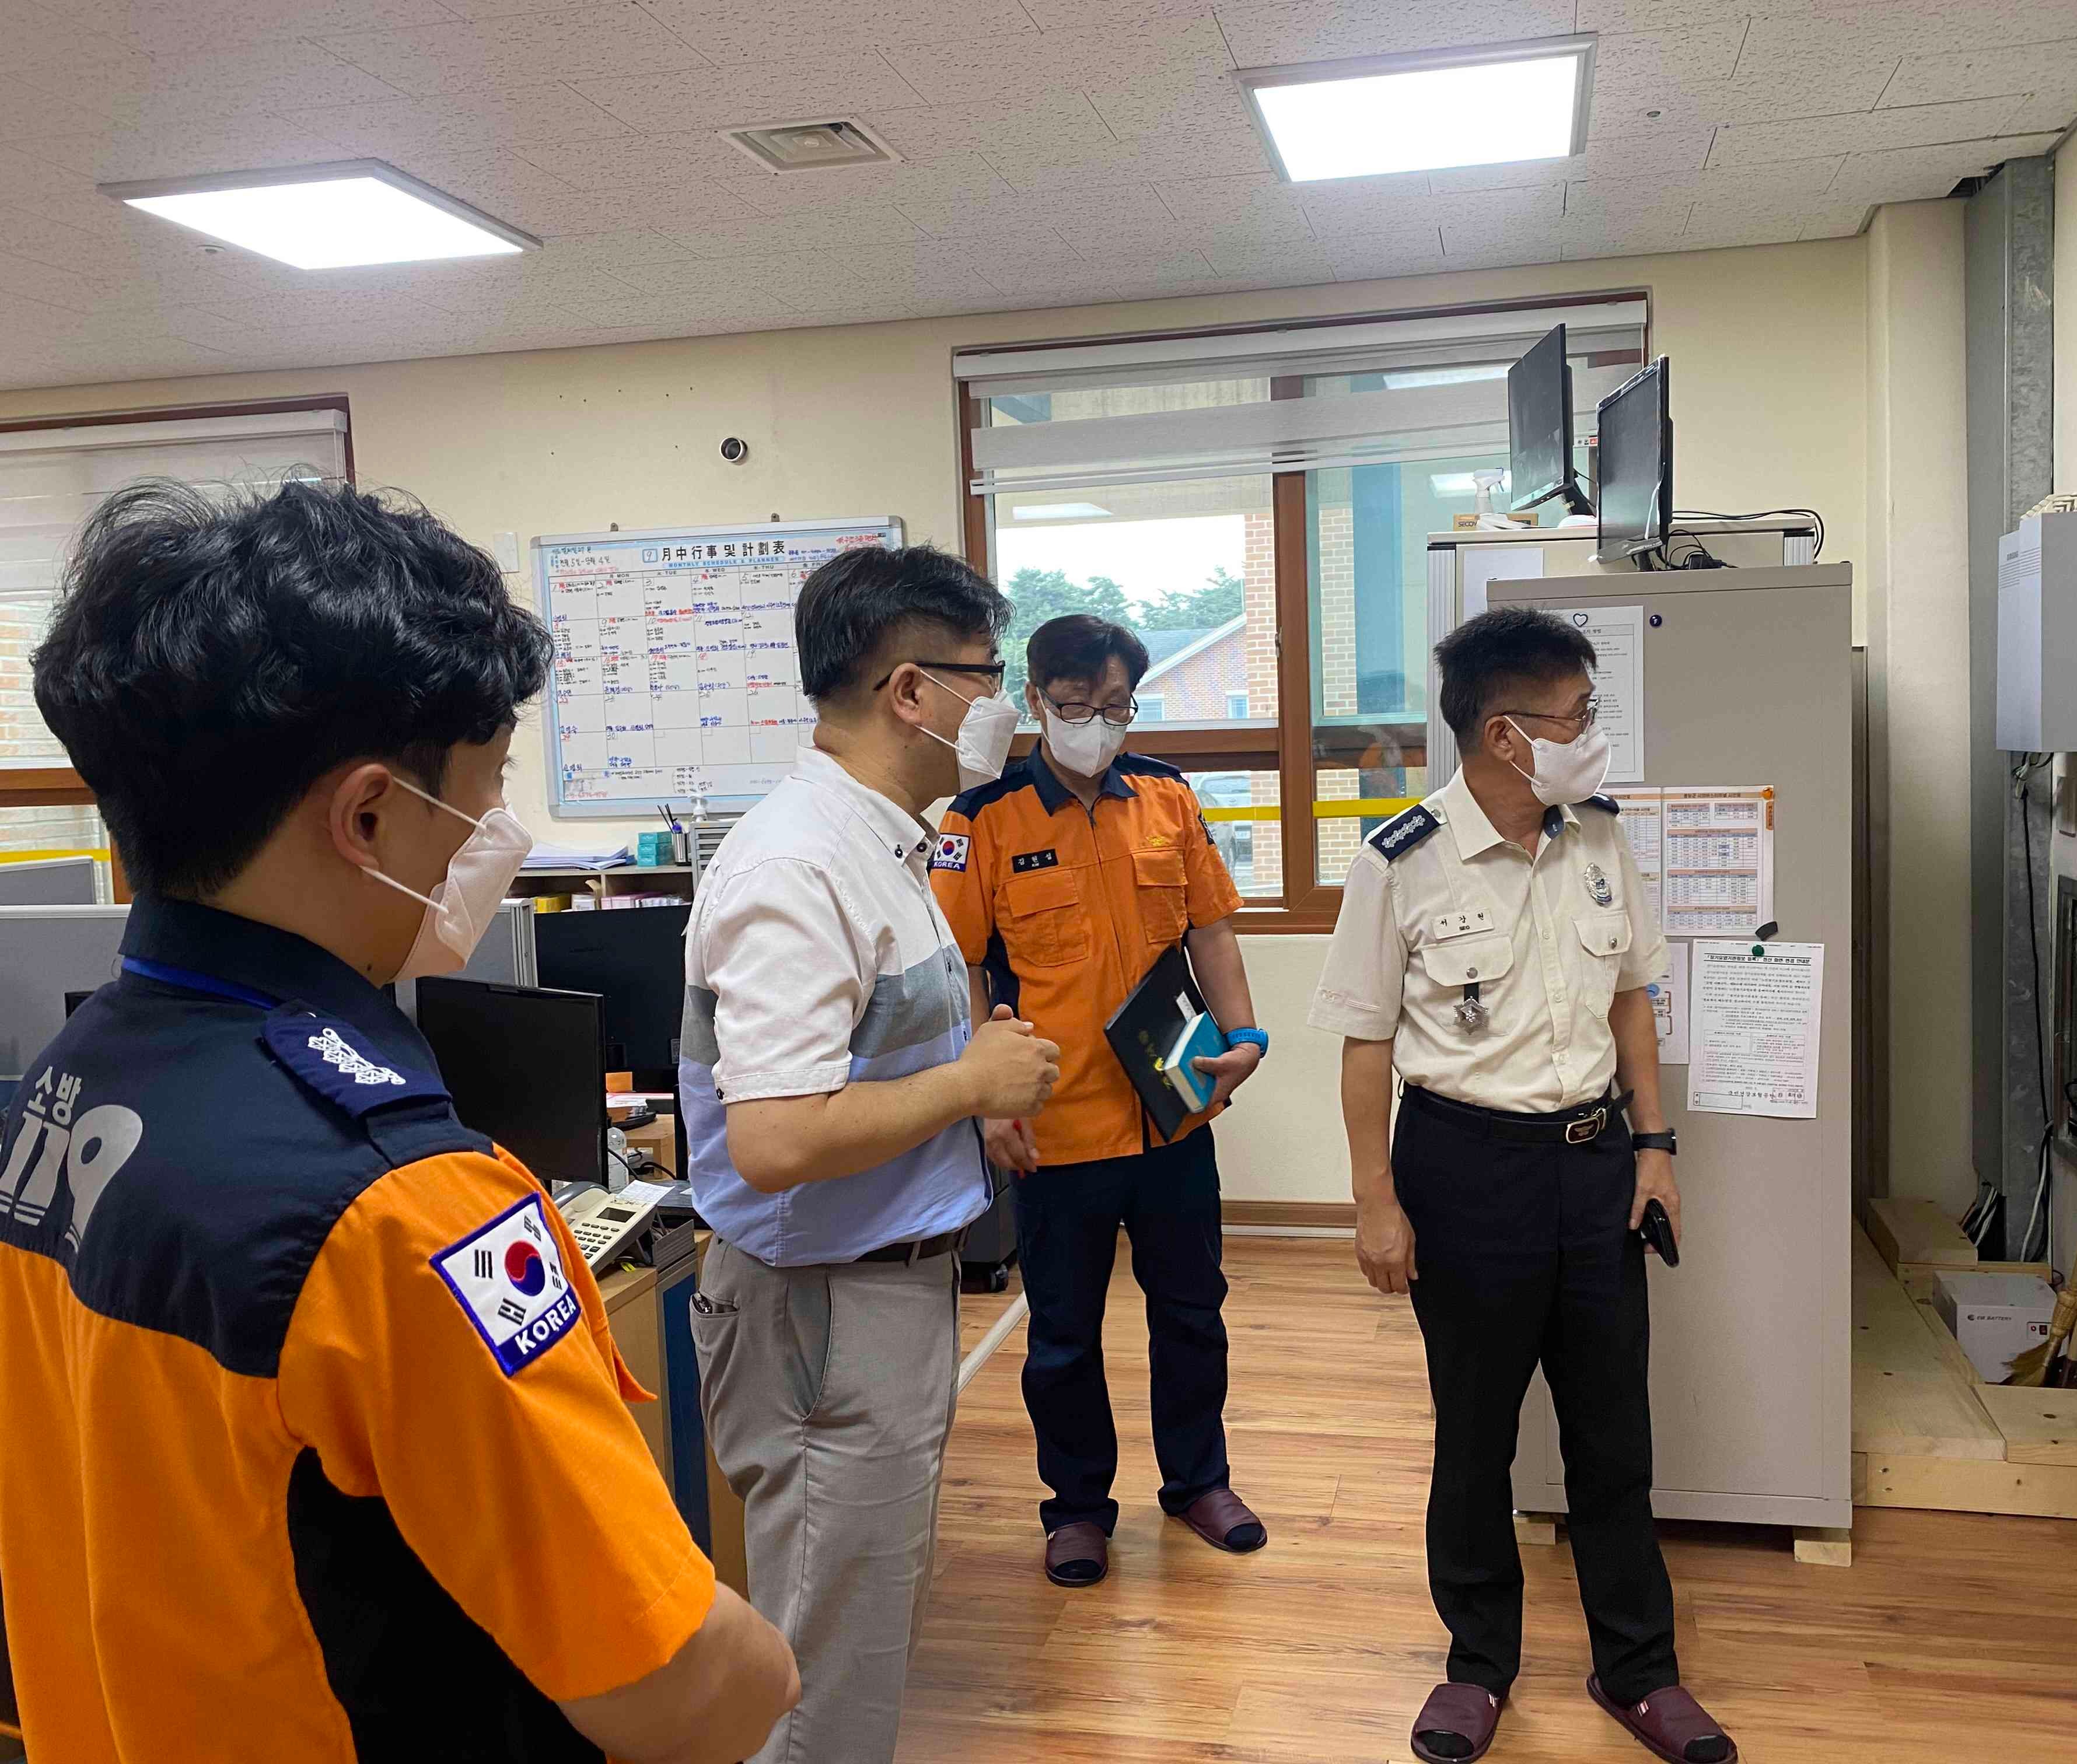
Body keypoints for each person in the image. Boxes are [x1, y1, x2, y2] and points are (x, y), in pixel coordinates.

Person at [0, 479, 799, 1764]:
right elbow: (676, 1688)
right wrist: (776, 1661)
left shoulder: (71, 1079)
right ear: (369, 816)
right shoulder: (403, 1206)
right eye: (483, 793)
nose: (492, 836)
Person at [1306, 607, 1737, 1764]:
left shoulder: (1598, 837)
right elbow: (1363, 1047)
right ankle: (1477, 1666)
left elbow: (1632, 996)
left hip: (1595, 1163)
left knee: (1613, 1435)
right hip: (1464, 1168)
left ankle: (1638, 1671)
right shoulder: (1399, 861)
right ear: (1506, 735)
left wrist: (1655, 1146)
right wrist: (1374, 1201)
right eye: (1576, 717)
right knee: (1475, 1436)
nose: (1592, 735)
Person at [680, 542, 1060, 1763]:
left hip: (873, 1290)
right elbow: (778, 1136)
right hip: (822, 1306)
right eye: (987, 676)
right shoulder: (801, 865)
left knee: (860, 1621)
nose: (1003, 705)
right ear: (911, 691)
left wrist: (965, 1110)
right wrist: (970, 1082)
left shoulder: (887, 842)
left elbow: (858, 1063)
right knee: (822, 1656)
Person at [930, 614, 1267, 1589]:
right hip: (1054, 1123)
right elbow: (959, 971)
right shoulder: (981, 820)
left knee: (1193, 1311)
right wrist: (983, 1100)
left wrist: (1246, 1037)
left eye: (1116, 706)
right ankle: (1077, 1509)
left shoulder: (1166, 796)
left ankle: (1199, 1483)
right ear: (1037, 701)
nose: (1098, 724)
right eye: (1077, 706)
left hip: (1173, 1110)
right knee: (1064, 1334)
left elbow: (1210, 931)